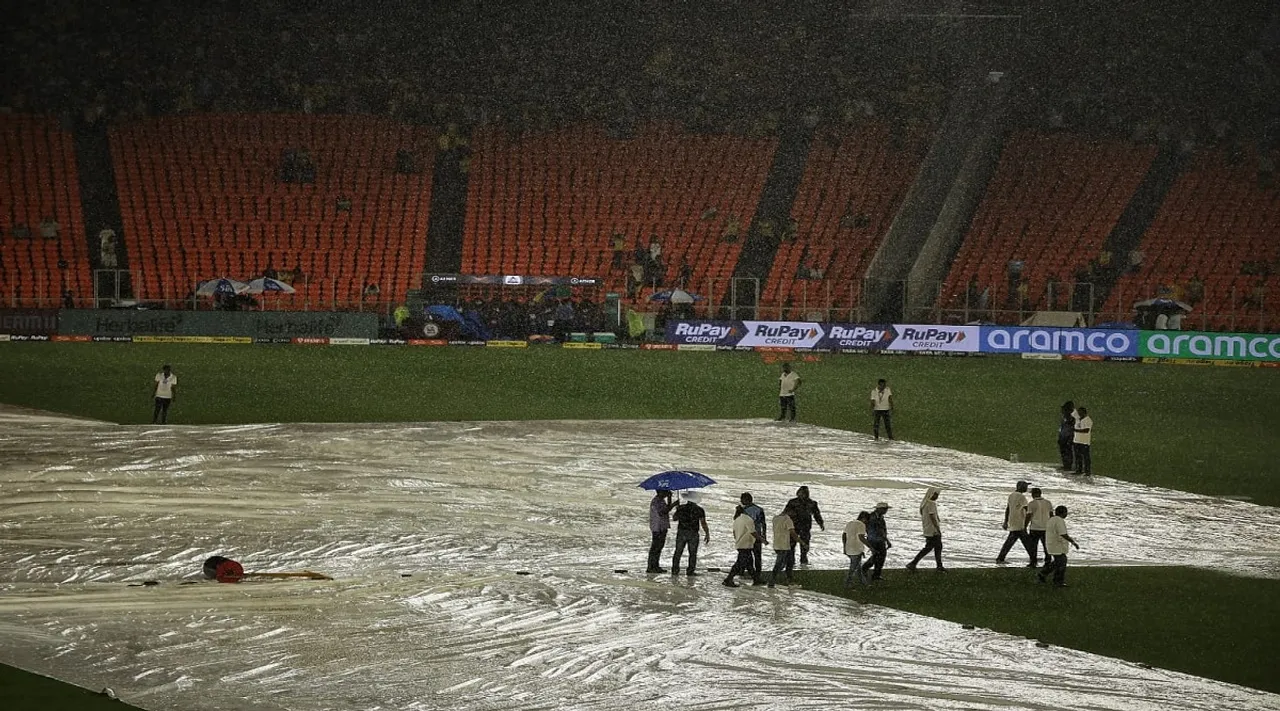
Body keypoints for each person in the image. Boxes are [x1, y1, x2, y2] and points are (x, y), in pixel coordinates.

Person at [1038, 505, 1080, 587]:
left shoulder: (1051, 519)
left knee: (1057, 562)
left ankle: (1043, 574)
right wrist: (1073, 542)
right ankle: (1058, 581)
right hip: (1057, 545)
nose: (1066, 514)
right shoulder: (1059, 521)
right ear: (1063, 513)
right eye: (1066, 512)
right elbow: (1063, 534)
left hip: (1051, 543)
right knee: (1062, 561)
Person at [671, 492, 710, 576]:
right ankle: (690, 571)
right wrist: (707, 533)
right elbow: (703, 523)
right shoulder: (700, 510)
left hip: (682, 532)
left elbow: (674, 519)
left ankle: (675, 570)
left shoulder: (681, 508)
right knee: (692, 554)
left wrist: (677, 509)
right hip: (693, 533)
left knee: (678, 552)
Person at [723, 506, 763, 587]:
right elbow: (753, 532)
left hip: (740, 544)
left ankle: (756, 580)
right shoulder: (748, 519)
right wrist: (762, 540)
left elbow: (734, 533)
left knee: (749, 563)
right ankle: (728, 579)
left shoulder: (736, 520)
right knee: (739, 564)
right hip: (746, 544)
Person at [906, 487, 945, 571]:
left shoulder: (924, 504)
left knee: (932, 547)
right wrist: (937, 529)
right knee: (933, 547)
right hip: (933, 530)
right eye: (935, 494)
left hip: (927, 529)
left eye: (937, 495)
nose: (936, 496)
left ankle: (938, 565)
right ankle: (913, 563)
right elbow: (932, 517)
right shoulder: (931, 503)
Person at [785, 485, 824, 567]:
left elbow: (817, 515)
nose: (802, 495)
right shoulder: (792, 502)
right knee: (792, 545)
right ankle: (791, 561)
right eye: (801, 493)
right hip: (793, 526)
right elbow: (785, 513)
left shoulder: (812, 503)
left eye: (805, 493)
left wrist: (821, 523)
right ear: (798, 493)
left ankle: (803, 561)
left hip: (806, 526)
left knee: (805, 545)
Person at [996, 481, 1032, 564]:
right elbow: (1028, 509)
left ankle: (1033, 557)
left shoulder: (1011, 495)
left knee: (1020, 541)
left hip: (1013, 522)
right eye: (1025, 486)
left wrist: (1006, 521)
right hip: (1020, 523)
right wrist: (1030, 520)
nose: (1027, 488)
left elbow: (1008, 509)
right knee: (1023, 541)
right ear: (1020, 487)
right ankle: (1000, 558)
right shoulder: (1021, 497)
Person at [768, 503, 799, 588]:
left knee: (787, 562)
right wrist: (802, 542)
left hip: (776, 544)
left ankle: (789, 581)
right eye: (794, 512)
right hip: (784, 545)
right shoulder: (788, 520)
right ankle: (772, 581)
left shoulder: (775, 518)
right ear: (790, 511)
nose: (794, 514)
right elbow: (793, 533)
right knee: (780, 564)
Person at [740, 492, 767, 583]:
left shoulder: (743, 510)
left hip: (747, 536)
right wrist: (764, 535)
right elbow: (763, 523)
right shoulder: (759, 509)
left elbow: (739, 522)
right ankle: (758, 574)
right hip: (758, 536)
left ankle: (744, 572)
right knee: (758, 556)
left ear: (746, 500)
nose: (740, 501)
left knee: (746, 555)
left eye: (742, 499)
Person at [860, 502, 892, 580]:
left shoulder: (879, 517)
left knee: (880, 557)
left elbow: (882, 531)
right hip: (874, 539)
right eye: (884, 509)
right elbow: (877, 530)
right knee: (877, 556)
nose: (886, 511)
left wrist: (886, 540)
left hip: (879, 539)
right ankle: (866, 569)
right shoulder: (873, 517)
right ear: (879, 509)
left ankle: (875, 574)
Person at [647, 489, 676, 573]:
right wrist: (674, 504)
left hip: (661, 526)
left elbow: (667, 509)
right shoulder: (656, 501)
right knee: (656, 547)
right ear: (660, 492)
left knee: (659, 547)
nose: (667, 493)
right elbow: (663, 511)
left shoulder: (661, 500)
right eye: (665, 492)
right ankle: (651, 566)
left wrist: (669, 499)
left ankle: (655, 566)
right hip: (658, 527)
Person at [1025, 487, 1054, 567]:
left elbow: (1029, 515)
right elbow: (1051, 515)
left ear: (1033, 494)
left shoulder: (1031, 504)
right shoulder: (1048, 503)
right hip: (1046, 527)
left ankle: (1033, 561)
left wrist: (1025, 526)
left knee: (1033, 546)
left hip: (1035, 527)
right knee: (1046, 545)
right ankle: (1048, 561)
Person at [843, 511, 871, 587]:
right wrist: (870, 546)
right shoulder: (861, 525)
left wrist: (844, 547)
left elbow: (844, 535)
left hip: (849, 547)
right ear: (864, 518)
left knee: (858, 567)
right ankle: (847, 582)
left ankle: (864, 582)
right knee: (853, 567)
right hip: (856, 549)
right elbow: (861, 537)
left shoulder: (850, 523)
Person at [1073, 407, 1093, 476]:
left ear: (1084, 412)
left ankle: (1087, 471)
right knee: (1078, 456)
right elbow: (1073, 412)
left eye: (1080, 412)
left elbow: (1086, 430)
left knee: (1086, 457)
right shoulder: (1078, 419)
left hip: (1084, 442)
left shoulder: (1088, 420)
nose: (1079, 413)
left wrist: (1075, 430)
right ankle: (1079, 470)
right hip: (1077, 441)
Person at [1058, 401, 1076, 471]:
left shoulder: (1071, 419)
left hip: (1067, 438)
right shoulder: (1064, 419)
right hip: (1063, 437)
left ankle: (1068, 465)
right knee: (1064, 451)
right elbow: (1062, 429)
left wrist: (1070, 439)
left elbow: (1071, 430)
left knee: (1067, 451)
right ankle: (1066, 465)